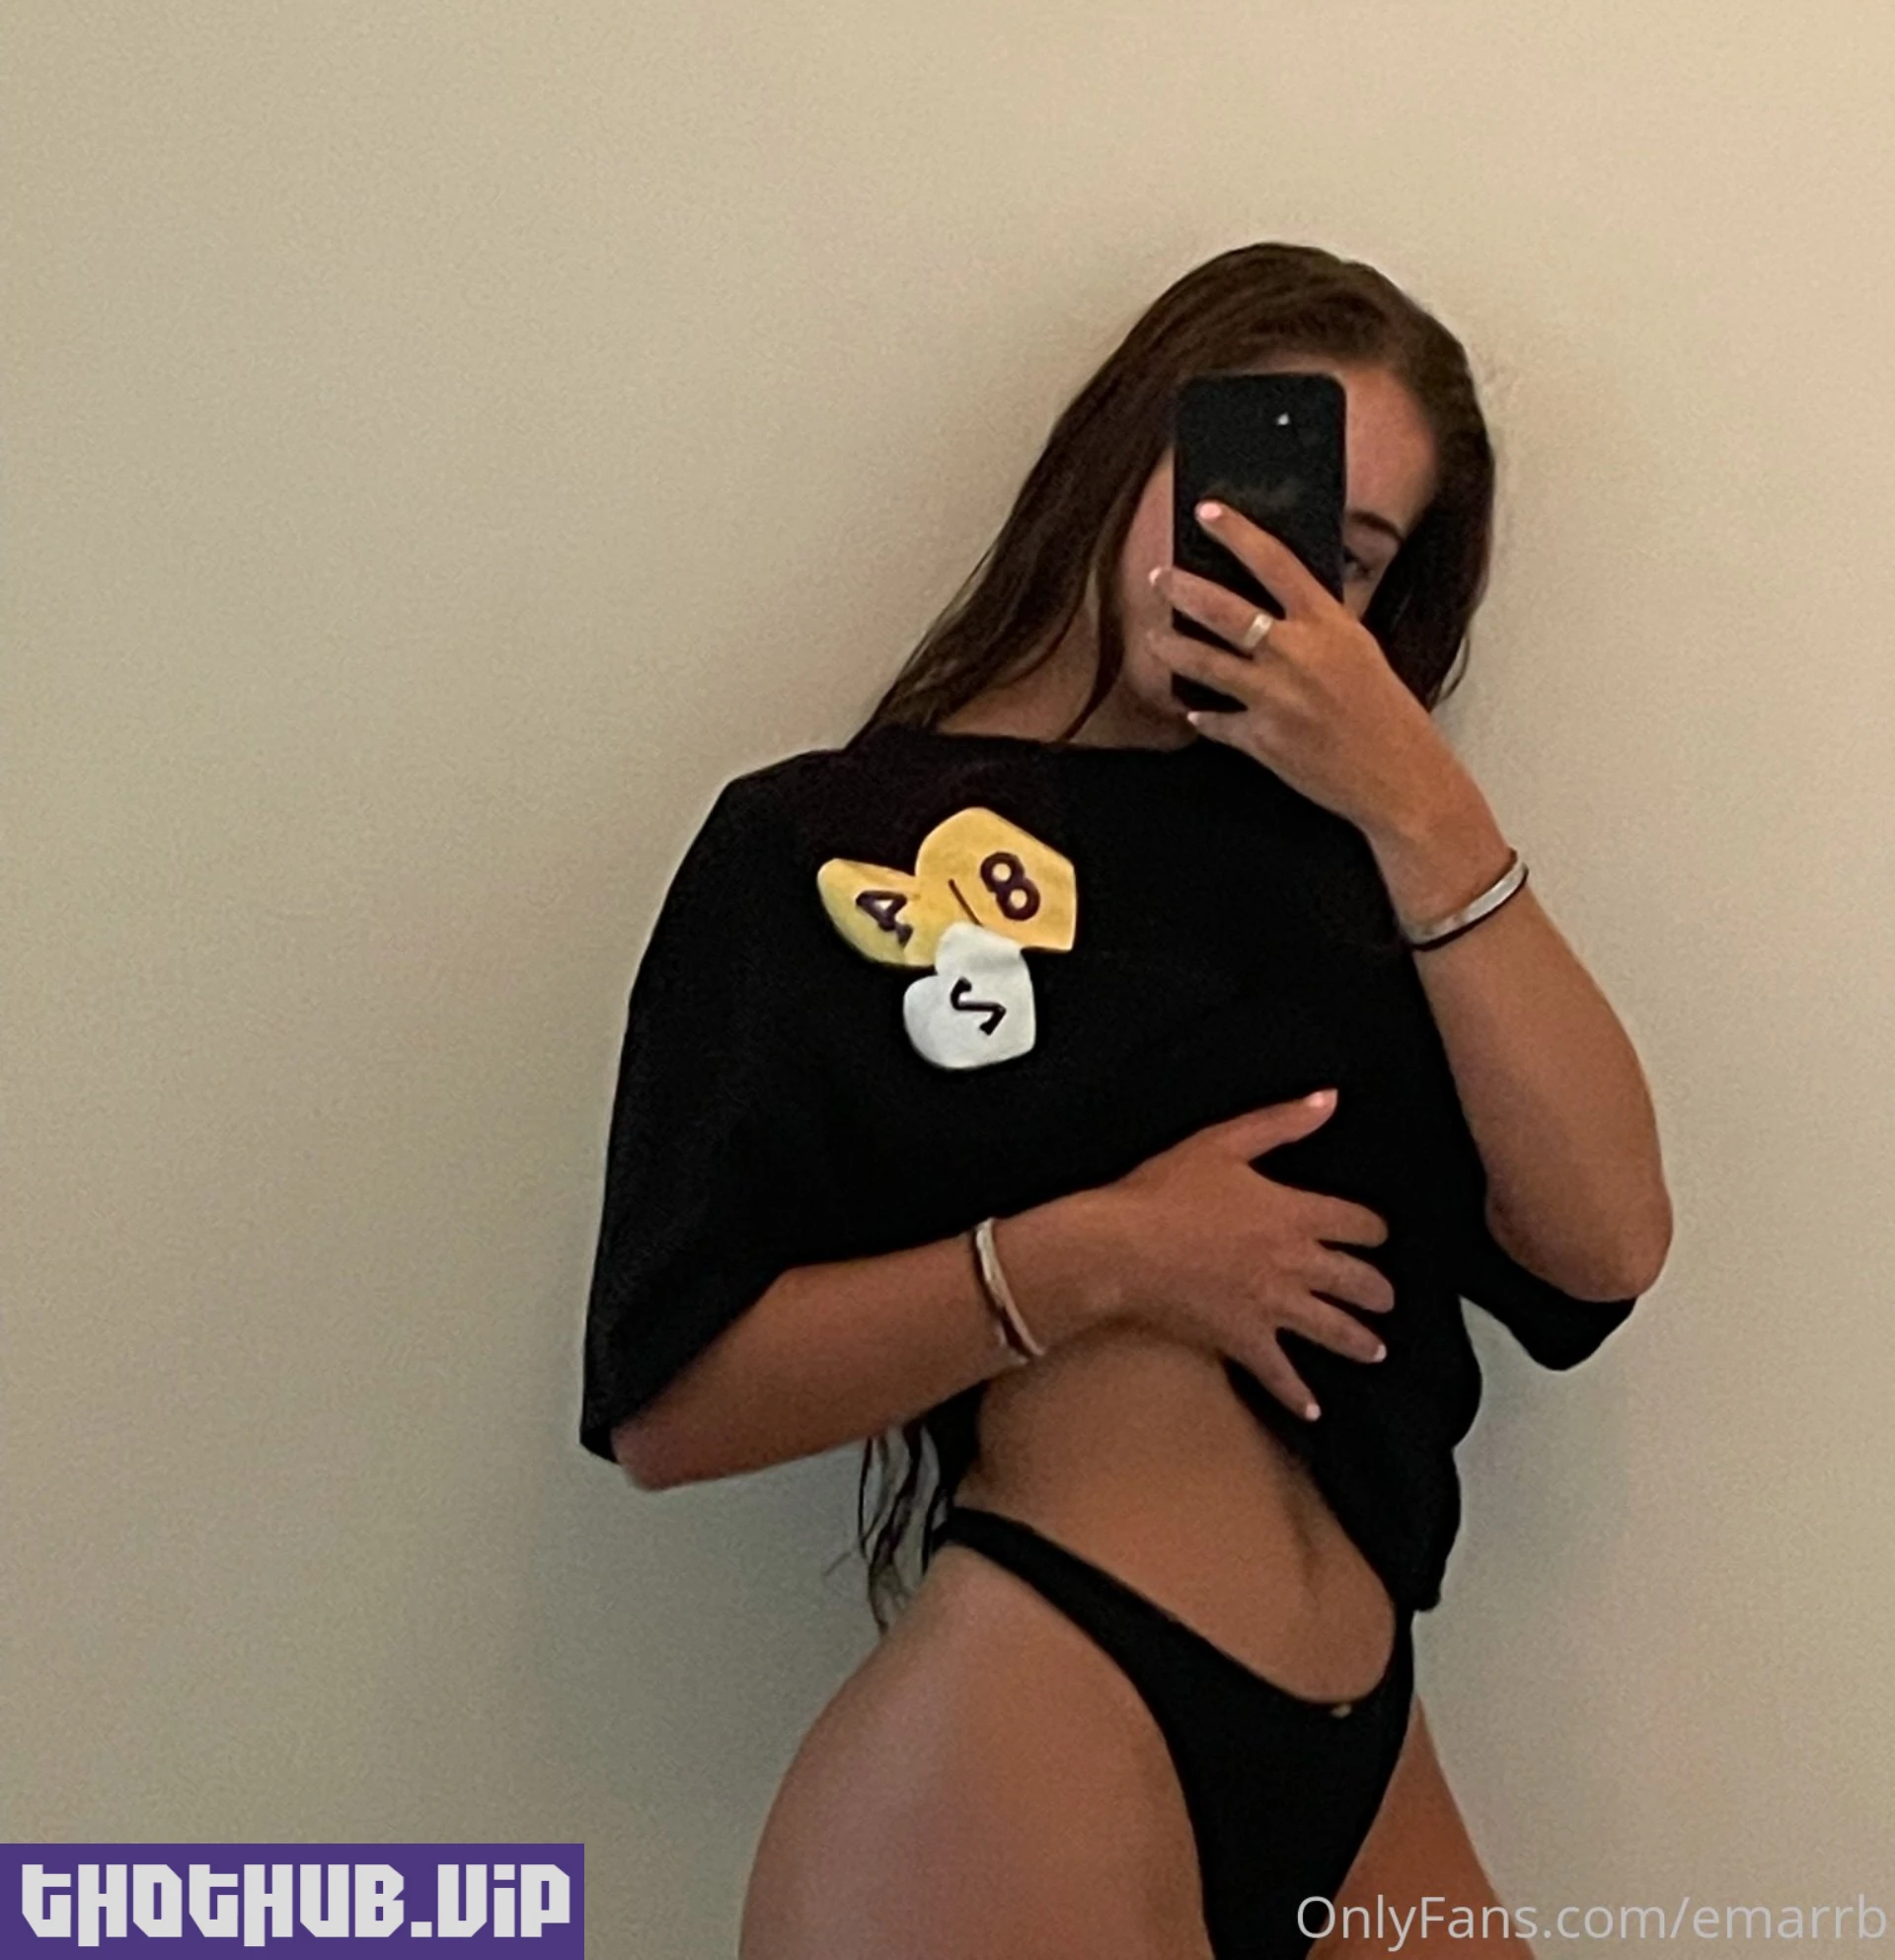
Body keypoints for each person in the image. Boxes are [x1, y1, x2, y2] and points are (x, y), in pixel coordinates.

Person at [578, 241, 1673, 1960]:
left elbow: (1602, 1246)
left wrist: (1424, 806)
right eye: (1235, 492)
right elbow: (670, 1405)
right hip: (1042, 1716)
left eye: (1343, 553)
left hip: (1367, 1745)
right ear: (1121, 450)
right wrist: (1105, 1256)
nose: (1268, 570)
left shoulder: (1363, 869)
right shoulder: (820, 843)